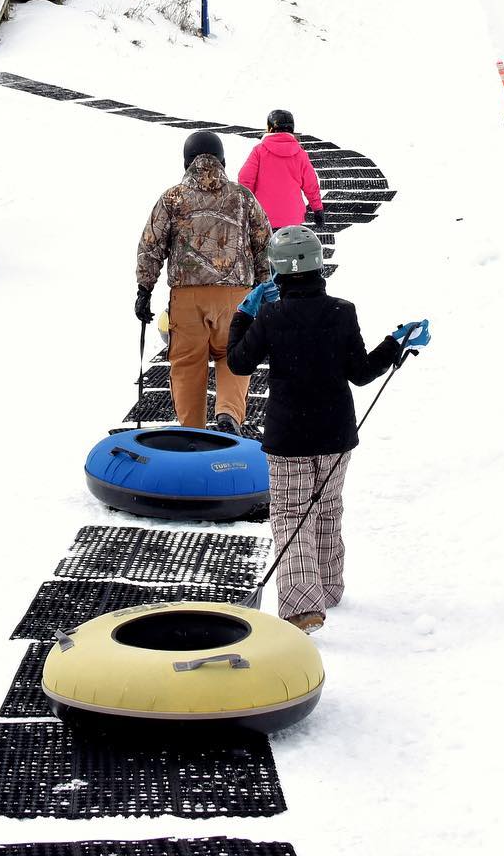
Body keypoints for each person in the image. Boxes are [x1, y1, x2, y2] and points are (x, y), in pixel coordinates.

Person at [227, 225, 430, 633]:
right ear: (318, 265)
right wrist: (395, 343)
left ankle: (303, 605)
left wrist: (244, 314)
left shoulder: (270, 315)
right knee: (327, 508)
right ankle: (329, 587)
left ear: (277, 271)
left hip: (289, 437)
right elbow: (361, 372)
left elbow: (238, 362)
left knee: (291, 513)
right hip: (335, 434)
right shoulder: (342, 311)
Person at [135, 130, 272, 435]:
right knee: (233, 355)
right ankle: (228, 415)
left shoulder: (172, 198)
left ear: (186, 162)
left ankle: (192, 430)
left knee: (187, 362)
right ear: (223, 161)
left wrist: (144, 289)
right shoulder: (243, 197)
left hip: (187, 297)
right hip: (236, 297)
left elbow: (151, 245)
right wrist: (265, 288)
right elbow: (264, 243)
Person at [238, 108, 324, 233]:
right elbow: (311, 184)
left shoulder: (259, 151)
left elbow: (245, 180)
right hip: (293, 218)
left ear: (270, 128)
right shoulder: (300, 154)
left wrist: (245, 208)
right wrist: (318, 209)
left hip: (264, 217)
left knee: (265, 245)